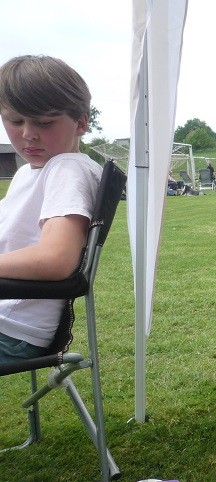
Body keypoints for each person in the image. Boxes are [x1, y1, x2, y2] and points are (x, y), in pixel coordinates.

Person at [0, 55, 102, 364]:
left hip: (13, 329)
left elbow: (56, 259)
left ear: (81, 123)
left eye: (44, 122)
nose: (28, 133)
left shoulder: (66, 168)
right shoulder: (30, 172)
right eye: (15, 120)